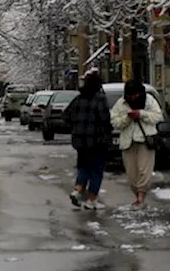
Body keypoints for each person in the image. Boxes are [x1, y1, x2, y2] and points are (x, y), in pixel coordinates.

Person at [61, 70, 112, 210]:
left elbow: (66, 116)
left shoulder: (79, 99)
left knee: (84, 166)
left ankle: (77, 190)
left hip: (80, 142)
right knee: (96, 170)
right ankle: (91, 200)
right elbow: (105, 120)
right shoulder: (100, 99)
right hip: (97, 141)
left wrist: (76, 127)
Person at [110, 79, 163, 208]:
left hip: (145, 140)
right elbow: (115, 122)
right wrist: (128, 118)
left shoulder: (149, 101)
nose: (133, 98)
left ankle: (141, 197)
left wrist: (141, 114)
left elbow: (157, 117)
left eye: (135, 95)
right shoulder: (121, 103)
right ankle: (137, 194)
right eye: (130, 95)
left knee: (144, 171)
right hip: (127, 142)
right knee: (132, 174)